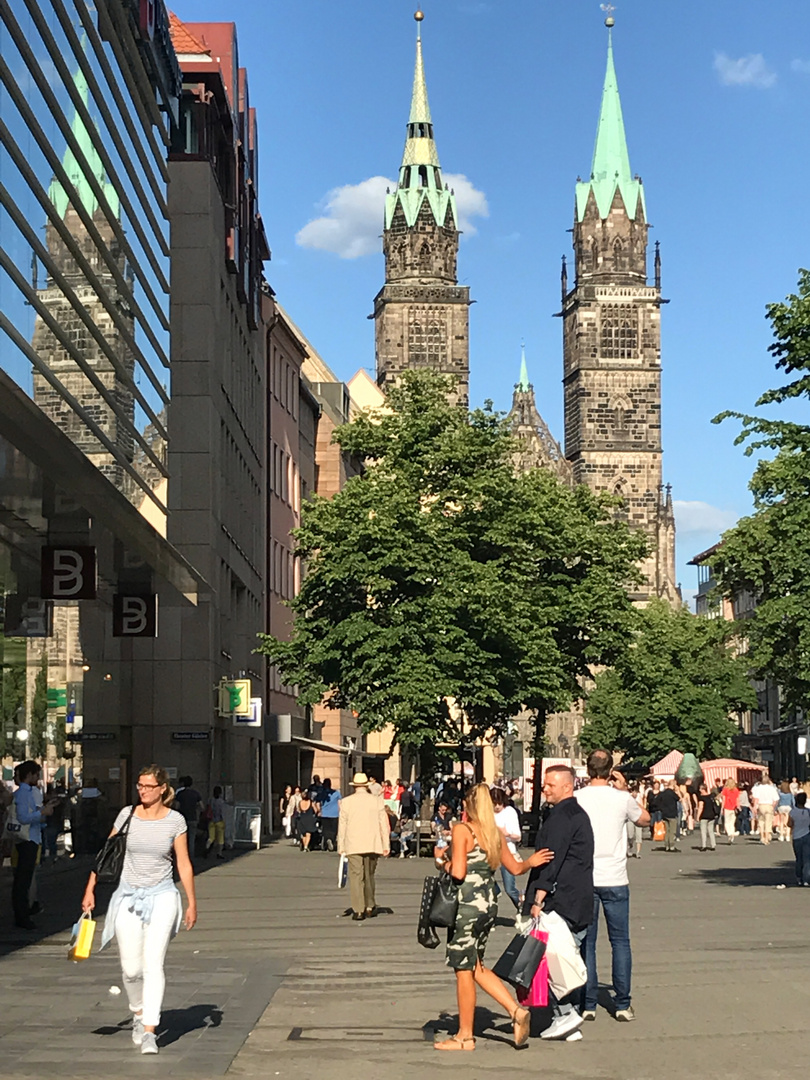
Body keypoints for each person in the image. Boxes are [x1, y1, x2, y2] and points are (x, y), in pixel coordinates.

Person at [81, 764, 196, 1056]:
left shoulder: (175, 821)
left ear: (162, 789)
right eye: (139, 785)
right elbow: (106, 854)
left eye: (148, 786)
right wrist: (90, 888)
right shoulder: (127, 815)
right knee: (131, 970)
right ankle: (138, 1012)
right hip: (128, 896)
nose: (142, 790)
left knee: (153, 964)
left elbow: (183, 862)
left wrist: (192, 902)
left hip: (162, 896)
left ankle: (149, 1031)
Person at [433, 783, 553, 1052]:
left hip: (466, 905)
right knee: (476, 964)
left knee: (463, 969)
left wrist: (442, 860)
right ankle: (515, 1010)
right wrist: (531, 862)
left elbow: (459, 873)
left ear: (469, 805)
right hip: (488, 904)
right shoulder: (494, 833)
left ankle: (465, 1036)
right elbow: (516, 868)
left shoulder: (462, 830)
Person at [576, 751, 649, 1023]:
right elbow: (645, 819)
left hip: (586, 877)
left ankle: (589, 1003)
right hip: (616, 878)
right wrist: (626, 789)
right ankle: (622, 1003)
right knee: (620, 942)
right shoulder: (622, 799)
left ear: (587, 770)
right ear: (610, 771)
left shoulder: (578, 798)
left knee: (588, 943)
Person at [524, 764, 595, 1042]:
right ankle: (566, 1021)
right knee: (565, 956)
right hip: (578, 897)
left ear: (568, 786)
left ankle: (566, 1013)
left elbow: (551, 859)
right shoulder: (577, 814)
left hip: (561, 899)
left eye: (551, 785)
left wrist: (539, 895)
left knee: (551, 957)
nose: (545, 789)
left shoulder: (561, 818)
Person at [337, 772, 390, 920]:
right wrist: (386, 844)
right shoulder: (377, 801)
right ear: (366, 785)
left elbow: (342, 826)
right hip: (373, 842)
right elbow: (383, 824)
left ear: (354, 786)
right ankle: (369, 905)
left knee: (356, 876)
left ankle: (358, 909)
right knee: (369, 875)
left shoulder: (346, 802)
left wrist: (341, 845)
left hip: (353, 843)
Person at [11, 761, 54, 930]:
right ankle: (22, 916)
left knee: (25, 879)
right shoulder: (23, 793)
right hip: (27, 839)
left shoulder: (28, 792)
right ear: (29, 775)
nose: (38, 778)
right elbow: (23, 817)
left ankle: (23, 914)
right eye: (36, 775)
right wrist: (41, 812)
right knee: (23, 881)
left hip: (32, 838)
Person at [491, 786, 522, 908]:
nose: (497, 807)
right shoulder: (488, 813)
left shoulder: (509, 812)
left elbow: (518, 837)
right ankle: (495, 892)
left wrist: (506, 834)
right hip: (492, 851)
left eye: (499, 803)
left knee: (509, 888)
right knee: (485, 879)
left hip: (508, 851)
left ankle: (521, 906)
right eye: (494, 804)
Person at [788, 792, 810, 886]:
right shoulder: (808, 811)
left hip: (797, 836)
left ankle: (799, 878)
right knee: (807, 859)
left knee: (799, 859)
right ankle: (806, 879)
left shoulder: (792, 812)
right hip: (807, 835)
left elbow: (789, 824)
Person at [752, 775, 779, 845]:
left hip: (761, 805)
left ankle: (762, 837)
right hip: (769, 805)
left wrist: (755, 807)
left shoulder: (758, 788)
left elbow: (756, 799)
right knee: (768, 822)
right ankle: (767, 838)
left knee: (761, 822)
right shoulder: (772, 788)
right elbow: (776, 799)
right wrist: (773, 806)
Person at [654, 780, 680, 852]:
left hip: (664, 814)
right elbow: (678, 798)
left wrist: (661, 808)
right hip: (672, 814)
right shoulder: (672, 793)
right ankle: (671, 846)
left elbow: (656, 802)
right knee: (672, 830)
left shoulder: (663, 793)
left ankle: (666, 846)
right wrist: (677, 791)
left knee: (667, 830)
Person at [319, 778, 342, 852]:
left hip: (325, 813)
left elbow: (317, 802)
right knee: (334, 829)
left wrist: (319, 811)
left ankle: (327, 839)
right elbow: (339, 803)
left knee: (326, 829)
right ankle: (332, 840)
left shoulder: (322, 793)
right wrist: (340, 811)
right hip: (335, 814)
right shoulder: (336, 793)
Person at [696, 783, 718, 851]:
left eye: (700, 789)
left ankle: (704, 845)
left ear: (703, 789)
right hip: (711, 815)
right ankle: (713, 845)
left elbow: (700, 807)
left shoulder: (701, 798)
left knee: (703, 831)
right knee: (711, 831)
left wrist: (697, 816)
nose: (699, 790)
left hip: (704, 816)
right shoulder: (711, 796)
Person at [206, 786, 226, 859]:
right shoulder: (221, 801)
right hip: (219, 821)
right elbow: (222, 812)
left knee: (211, 837)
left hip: (211, 821)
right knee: (220, 838)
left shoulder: (210, 800)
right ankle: (219, 853)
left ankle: (206, 849)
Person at [720, 779, 740, 843]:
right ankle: (732, 835)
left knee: (727, 822)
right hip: (733, 808)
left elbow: (724, 800)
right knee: (732, 823)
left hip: (727, 807)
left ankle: (729, 833)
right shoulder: (736, 790)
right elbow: (737, 800)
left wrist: (722, 808)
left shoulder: (725, 790)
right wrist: (738, 807)